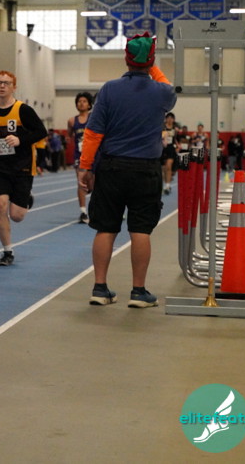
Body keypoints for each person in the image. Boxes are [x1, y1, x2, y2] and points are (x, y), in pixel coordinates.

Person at [78, 32, 176, 309]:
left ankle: (100, 288)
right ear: (151, 61)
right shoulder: (162, 92)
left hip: (111, 168)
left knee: (105, 228)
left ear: (126, 59)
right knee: (140, 230)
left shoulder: (109, 89)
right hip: (146, 170)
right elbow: (166, 85)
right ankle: (139, 291)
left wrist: (85, 167)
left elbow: (93, 133)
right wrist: (151, 63)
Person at [0, 71, 47, 266]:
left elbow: (41, 132)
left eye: (6, 83)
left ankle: (26, 198)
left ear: (14, 87)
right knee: (0, 205)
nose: (2, 86)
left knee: (17, 216)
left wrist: (20, 139)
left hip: (22, 167)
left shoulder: (23, 110)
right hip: (0, 168)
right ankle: (7, 251)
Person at [68, 92, 94, 223]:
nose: (81, 103)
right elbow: (70, 136)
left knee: (92, 184)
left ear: (89, 104)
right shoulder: (72, 121)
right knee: (81, 183)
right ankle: (83, 212)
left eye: (84, 101)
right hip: (79, 156)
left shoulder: (94, 118)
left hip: (94, 155)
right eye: (79, 101)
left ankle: (98, 209)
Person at [161, 112, 179, 193]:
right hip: (162, 148)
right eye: (168, 118)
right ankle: (163, 184)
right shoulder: (162, 127)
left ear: (173, 120)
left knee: (168, 166)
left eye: (171, 118)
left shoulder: (175, 129)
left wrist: (178, 146)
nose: (170, 119)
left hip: (171, 149)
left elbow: (176, 139)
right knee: (163, 168)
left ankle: (167, 186)